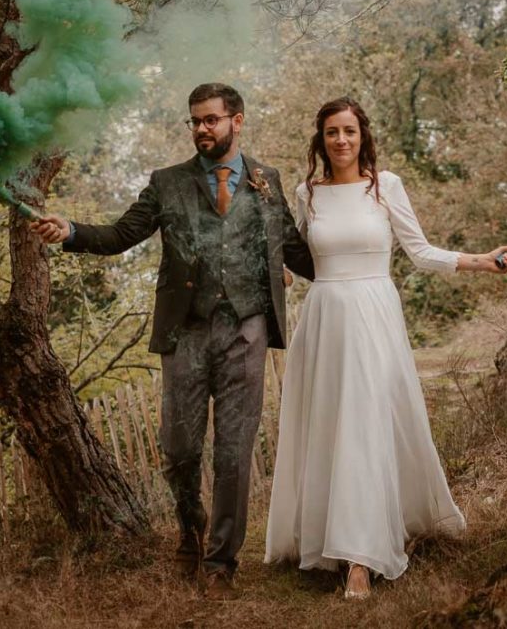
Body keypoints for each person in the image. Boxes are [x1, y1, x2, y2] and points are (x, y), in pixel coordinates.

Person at [30, 83, 313, 597]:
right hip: (186, 333)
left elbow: (294, 249)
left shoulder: (266, 180)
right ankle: (190, 525)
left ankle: (222, 561)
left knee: (234, 451)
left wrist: (358, 249)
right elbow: (119, 236)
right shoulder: (168, 183)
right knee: (179, 449)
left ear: (237, 121)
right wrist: (70, 230)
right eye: (195, 121)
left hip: (247, 330)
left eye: (211, 120)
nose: (201, 129)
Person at [263, 96, 507, 600]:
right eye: (332, 132)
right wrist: (279, 273)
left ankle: (361, 558)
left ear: (363, 136)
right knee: (331, 426)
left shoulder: (388, 187)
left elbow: (420, 251)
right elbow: (300, 257)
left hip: (373, 313)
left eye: (350, 131)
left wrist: (480, 260)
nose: (341, 140)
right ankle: (327, 538)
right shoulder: (306, 193)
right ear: (321, 140)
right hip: (323, 320)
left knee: (365, 426)